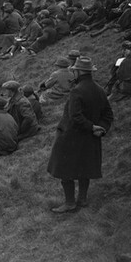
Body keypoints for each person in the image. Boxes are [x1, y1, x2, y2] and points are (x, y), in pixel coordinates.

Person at [47, 57, 114, 213]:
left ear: (79, 72)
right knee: (85, 168)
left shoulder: (77, 90)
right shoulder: (99, 89)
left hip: (71, 136)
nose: (73, 72)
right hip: (91, 138)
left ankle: (70, 203)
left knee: (65, 170)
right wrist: (100, 128)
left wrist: (91, 127)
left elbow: (75, 117)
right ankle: (82, 199)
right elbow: (108, 115)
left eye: (74, 70)